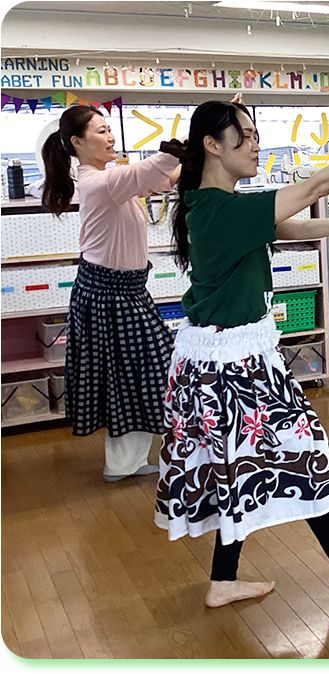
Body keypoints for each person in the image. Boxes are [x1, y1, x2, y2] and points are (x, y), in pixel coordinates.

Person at [155, 98, 329, 607]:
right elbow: (314, 189)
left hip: (223, 362)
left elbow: (290, 229)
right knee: (305, 453)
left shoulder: (217, 206)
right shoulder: (218, 207)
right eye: (244, 136)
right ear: (211, 145)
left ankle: (225, 581)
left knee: (239, 469)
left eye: (254, 135)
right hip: (231, 367)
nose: (254, 145)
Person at [42, 104, 181, 482]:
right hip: (108, 295)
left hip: (124, 293)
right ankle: (125, 463)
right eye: (101, 131)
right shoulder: (96, 182)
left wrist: (200, 150)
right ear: (76, 142)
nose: (111, 137)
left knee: (135, 375)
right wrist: (176, 149)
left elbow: (162, 177)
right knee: (135, 375)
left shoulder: (113, 176)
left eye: (109, 130)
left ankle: (126, 463)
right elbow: (147, 170)